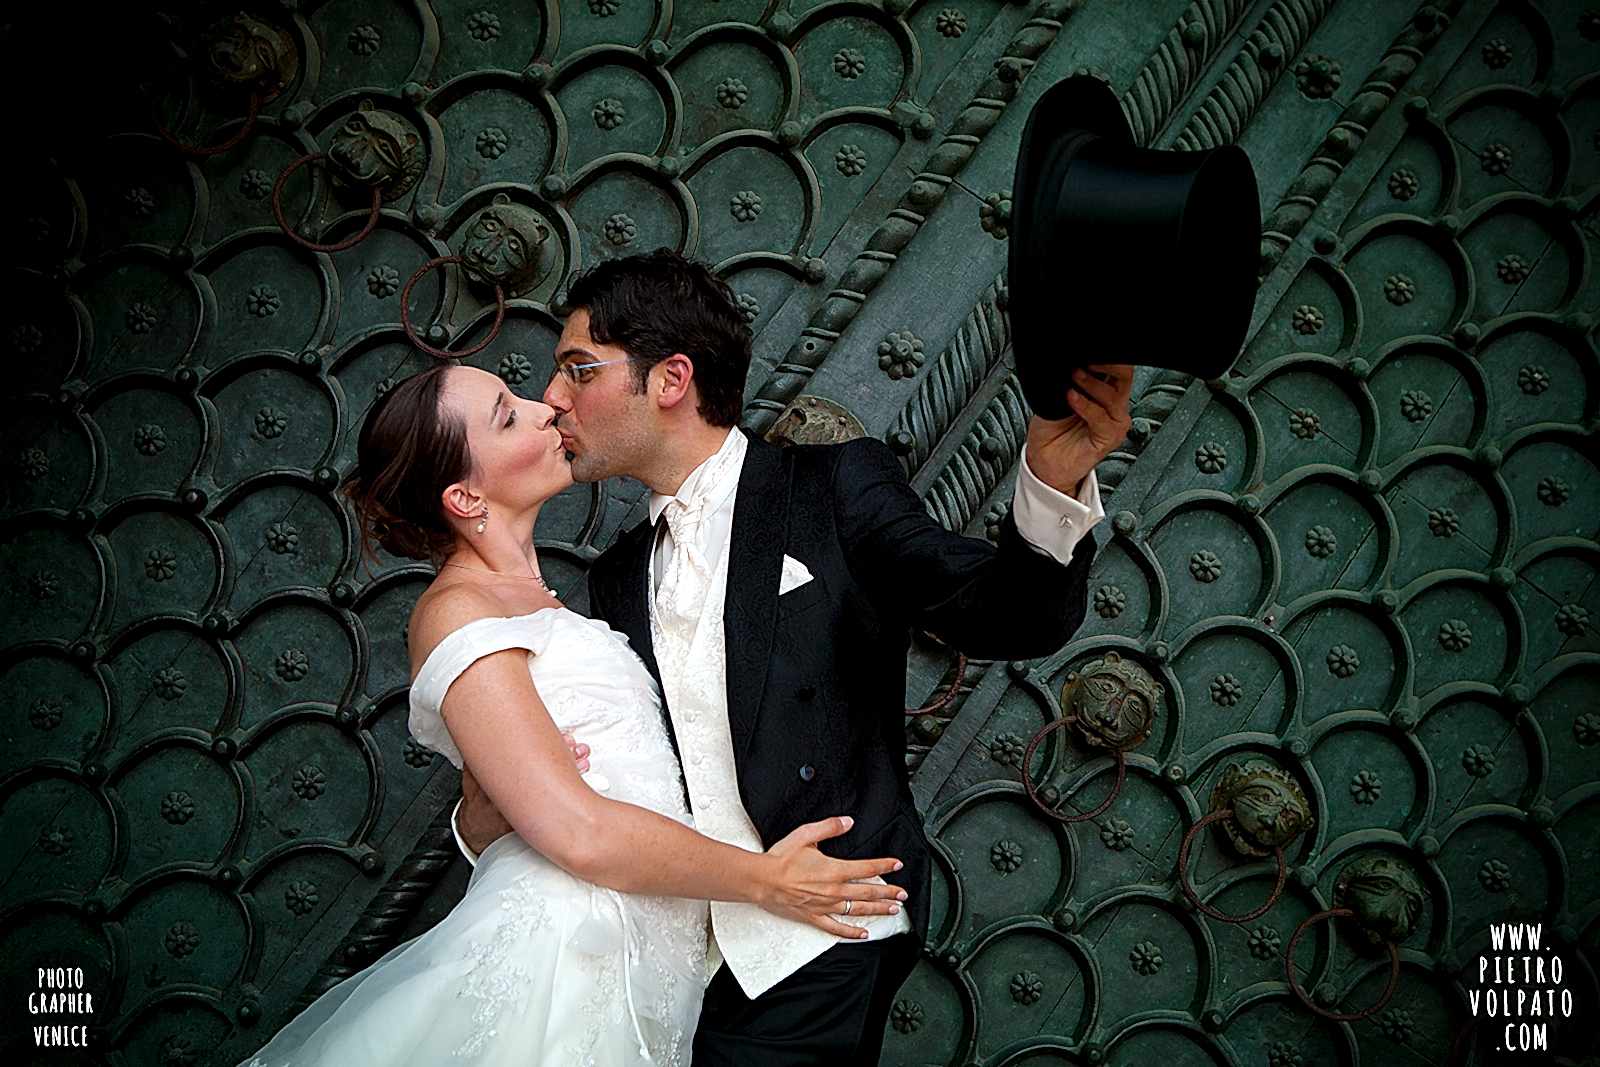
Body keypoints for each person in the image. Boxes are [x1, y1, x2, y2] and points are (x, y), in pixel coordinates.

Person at [453, 248, 1132, 1062]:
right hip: (677, 959)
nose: (553, 400)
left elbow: (1002, 616)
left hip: (830, 918)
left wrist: (1052, 483)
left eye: (577, 369)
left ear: (669, 379)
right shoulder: (618, 576)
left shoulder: (833, 486)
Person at [235, 362, 910, 1066]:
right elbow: (579, 830)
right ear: (466, 496)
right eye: (506, 414)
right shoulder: (458, 610)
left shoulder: (553, 599)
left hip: (647, 962)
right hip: (564, 957)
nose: (543, 407)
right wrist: (767, 879)